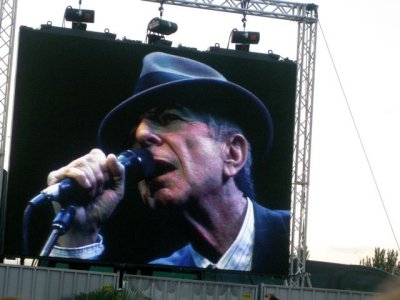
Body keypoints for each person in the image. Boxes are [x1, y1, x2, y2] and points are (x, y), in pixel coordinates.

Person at [47, 51, 290, 273]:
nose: (141, 136)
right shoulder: (155, 276)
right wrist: (78, 236)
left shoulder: (298, 241)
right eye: (133, 135)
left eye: (169, 118)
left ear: (233, 153)